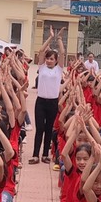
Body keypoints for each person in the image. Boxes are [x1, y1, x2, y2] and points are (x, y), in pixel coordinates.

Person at [30, 28, 64, 164]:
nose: (49, 61)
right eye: (48, 59)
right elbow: (41, 51)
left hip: (53, 102)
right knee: (40, 128)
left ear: (56, 61)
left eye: (52, 59)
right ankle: (35, 155)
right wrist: (50, 37)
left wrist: (59, 39)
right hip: (41, 102)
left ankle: (45, 155)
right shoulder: (42, 67)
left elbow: (62, 52)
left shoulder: (59, 70)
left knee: (49, 128)